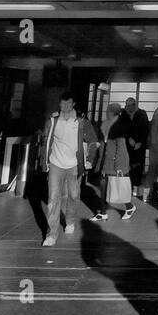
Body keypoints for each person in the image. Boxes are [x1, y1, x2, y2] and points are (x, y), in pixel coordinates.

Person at [39, 92, 99, 246]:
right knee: (53, 199)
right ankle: (51, 234)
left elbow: (93, 141)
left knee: (73, 195)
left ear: (73, 104)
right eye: (62, 103)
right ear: (59, 104)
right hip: (55, 164)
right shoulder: (53, 121)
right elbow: (46, 141)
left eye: (68, 103)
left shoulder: (81, 121)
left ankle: (70, 220)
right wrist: (45, 162)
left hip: (74, 165)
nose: (64, 106)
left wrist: (90, 160)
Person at [90, 102, 136, 221]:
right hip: (106, 160)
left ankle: (129, 207)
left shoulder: (119, 126)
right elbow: (104, 144)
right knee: (103, 184)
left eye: (108, 111)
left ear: (112, 112)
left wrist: (118, 166)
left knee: (118, 186)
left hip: (115, 161)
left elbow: (121, 147)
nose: (106, 113)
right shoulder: (106, 125)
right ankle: (103, 212)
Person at [124, 97, 150, 201]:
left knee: (138, 167)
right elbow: (122, 128)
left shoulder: (142, 113)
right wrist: (128, 138)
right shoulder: (124, 115)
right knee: (127, 166)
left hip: (139, 145)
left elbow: (146, 129)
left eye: (131, 105)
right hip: (127, 145)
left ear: (135, 104)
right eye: (127, 105)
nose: (129, 107)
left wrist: (140, 142)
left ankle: (136, 188)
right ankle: (128, 188)